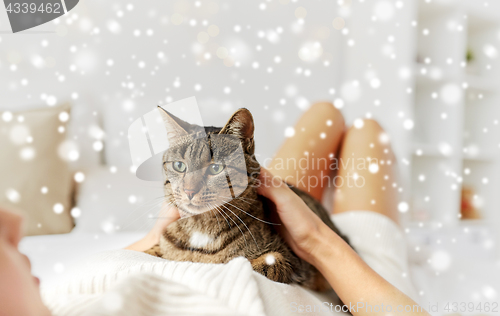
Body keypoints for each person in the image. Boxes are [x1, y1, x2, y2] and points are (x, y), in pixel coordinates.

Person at [1, 102, 429, 315]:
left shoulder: (54, 297)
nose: (13, 223)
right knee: (367, 130)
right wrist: (317, 239)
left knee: (323, 114)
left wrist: (155, 238)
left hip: (241, 209)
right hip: (351, 266)